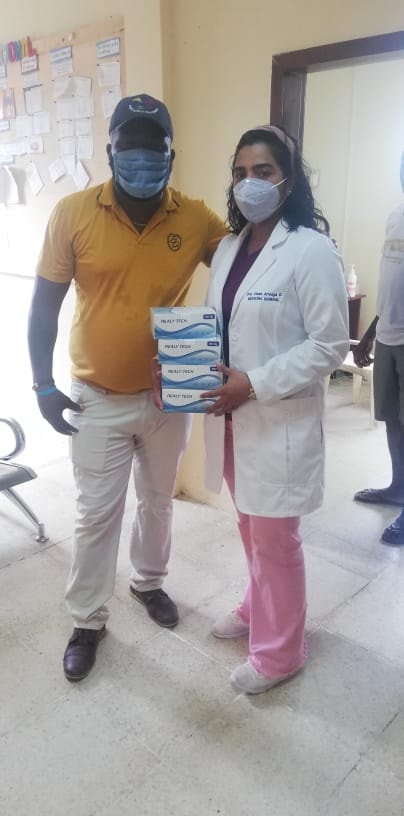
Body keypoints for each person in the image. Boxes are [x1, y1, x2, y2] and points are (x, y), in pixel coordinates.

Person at [28, 93, 226, 682]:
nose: (142, 160)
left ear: (171, 154)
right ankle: (87, 619)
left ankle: (149, 583)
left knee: (158, 501)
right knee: (96, 514)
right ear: (110, 150)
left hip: (171, 395)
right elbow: (43, 307)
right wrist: (41, 384)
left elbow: (247, 268)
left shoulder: (196, 217)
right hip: (96, 395)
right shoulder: (72, 212)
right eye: (129, 149)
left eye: (153, 149)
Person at [201, 125, 349, 694]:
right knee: (250, 524)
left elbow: (329, 344)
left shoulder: (311, 250)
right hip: (232, 420)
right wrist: (187, 372)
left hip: (275, 418)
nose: (250, 183)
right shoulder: (230, 248)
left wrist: (255, 384)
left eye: (263, 172)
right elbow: (218, 327)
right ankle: (255, 604)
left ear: (289, 180)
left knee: (275, 540)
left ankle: (281, 652)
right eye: (240, 173)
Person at [353, 165, 404, 546]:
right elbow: (391, 284)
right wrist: (370, 333)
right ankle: (398, 487)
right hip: (387, 337)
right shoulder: (394, 218)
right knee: (391, 419)